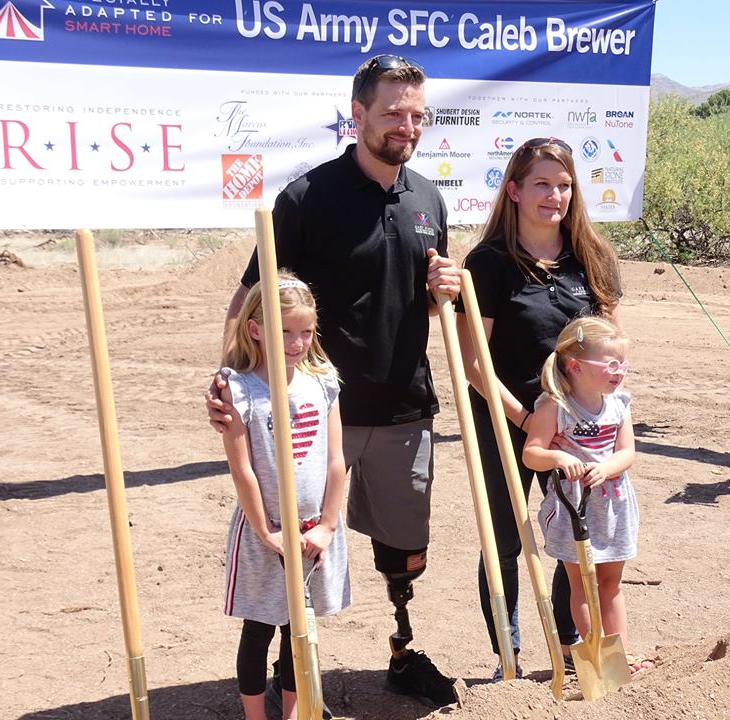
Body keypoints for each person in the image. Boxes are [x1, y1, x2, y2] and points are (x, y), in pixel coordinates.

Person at [207, 55, 461, 709]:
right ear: (358, 115)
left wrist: (442, 294)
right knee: (301, 549)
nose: (407, 126)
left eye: (416, 115)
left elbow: (419, 303)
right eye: (392, 113)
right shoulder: (307, 198)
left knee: (406, 551)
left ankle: (402, 649)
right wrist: (227, 377)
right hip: (318, 414)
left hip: (407, 407)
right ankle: (289, 685)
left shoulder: (429, 200)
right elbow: (250, 299)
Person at [454, 137, 622, 680]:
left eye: (565, 185)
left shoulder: (591, 259)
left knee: (577, 536)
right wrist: (529, 422)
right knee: (506, 535)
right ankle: (510, 657)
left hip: (579, 425)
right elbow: (475, 364)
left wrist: (602, 412)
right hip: (507, 419)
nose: (555, 196)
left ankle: (572, 650)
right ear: (514, 190)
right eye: (542, 184)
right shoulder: (488, 263)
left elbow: (610, 343)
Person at [219, 273, 351, 720]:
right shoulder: (240, 389)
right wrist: (267, 532)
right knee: (259, 629)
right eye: (284, 332)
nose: (296, 343)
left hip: (315, 531)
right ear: (256, 329)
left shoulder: (323, 381)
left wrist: (329, 524)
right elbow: (243, 470)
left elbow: (337, 460)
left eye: (306, 332)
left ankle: (294, 712)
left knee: (301, 629)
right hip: (266, 532)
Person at [521, 316, 638, 666]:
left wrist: (606, 468)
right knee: (583, 585)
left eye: (623, 364)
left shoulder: (618, 404)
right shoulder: (555, 407)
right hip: (575, 509)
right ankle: (597, 657)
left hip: (614, 506)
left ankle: (621, 656)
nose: (619, 372)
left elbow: (627, 452)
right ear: (575, 366)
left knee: (611, 585)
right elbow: (532, 453)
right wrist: (558, 456)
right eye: (611, 363)